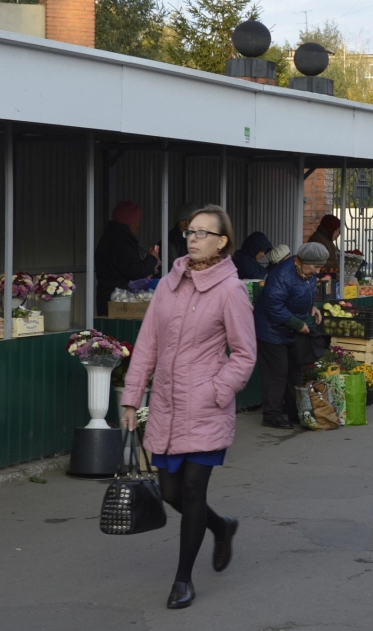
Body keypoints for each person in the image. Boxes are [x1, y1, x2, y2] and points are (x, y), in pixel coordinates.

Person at [119, 204, 256, 610]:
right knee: (169, 491)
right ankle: (221, 526)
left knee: (194, 489)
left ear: (222, 241)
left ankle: (183, 579)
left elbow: (245, 354)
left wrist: (217, 391)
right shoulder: (168, 283)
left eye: (202, 233)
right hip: (165, 404)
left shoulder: (231, 289)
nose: (192, 238)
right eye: (189, 232)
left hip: (206, 407)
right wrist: (132, 397)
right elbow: (148, 345)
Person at [253, 243, 327, 429]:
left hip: (290, 330)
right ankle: (272, 415)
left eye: (320, 267)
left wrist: (311, 308)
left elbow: (301, 295)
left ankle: (293, 410)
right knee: (276, 373)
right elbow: (274, 306)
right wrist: (297, 324)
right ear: (300, 261)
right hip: (271, 331)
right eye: (314, 267)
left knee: (294, 371)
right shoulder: (282, 275)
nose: (317, 271)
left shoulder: (306, 273)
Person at [95, 200, 160, 316]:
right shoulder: (120, 241)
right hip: (115, 297)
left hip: (106, 296)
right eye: (137, 221)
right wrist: (151, 258)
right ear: (131, 223)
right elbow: (134, 271)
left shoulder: (111, 236)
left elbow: (125, 268)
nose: (138, 225)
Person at [166, 202, 199, 269]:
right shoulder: (170, 239)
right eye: (183, 221)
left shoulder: (200, 236)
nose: (187, 225)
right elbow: (173, 264)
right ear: (177, 223)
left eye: (190, 220)